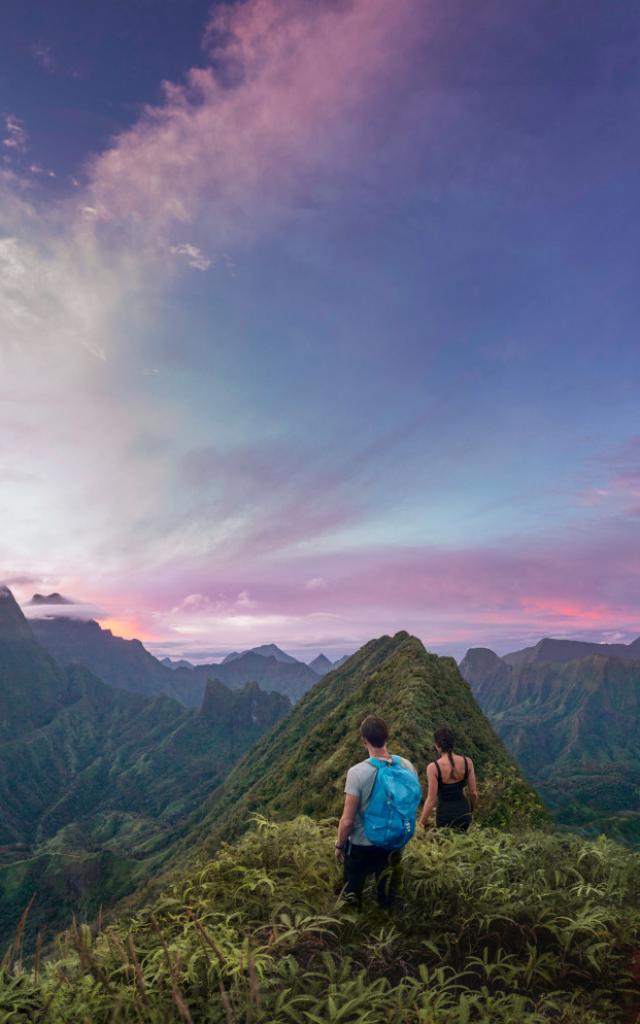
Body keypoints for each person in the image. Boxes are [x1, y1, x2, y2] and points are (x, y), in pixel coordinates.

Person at [335, 715, 420, 908]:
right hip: (393, 842)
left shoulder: (356, 773)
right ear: (387, 737)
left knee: (352, 895)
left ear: (364, 740)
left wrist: (340, 846)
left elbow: (347, 821)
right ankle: (388, 921)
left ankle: (353, 930)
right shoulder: (407, 766)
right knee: (388, 893)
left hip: (361, 846)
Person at [418, 726, 477, 831]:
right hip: (464, 813)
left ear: (437, 746)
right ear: (452, 744)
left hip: (444, 816)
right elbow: (473, 793)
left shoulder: (433, 768)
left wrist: (421, 823)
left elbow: (431, 799)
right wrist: (471, 811)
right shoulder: (467, 762)